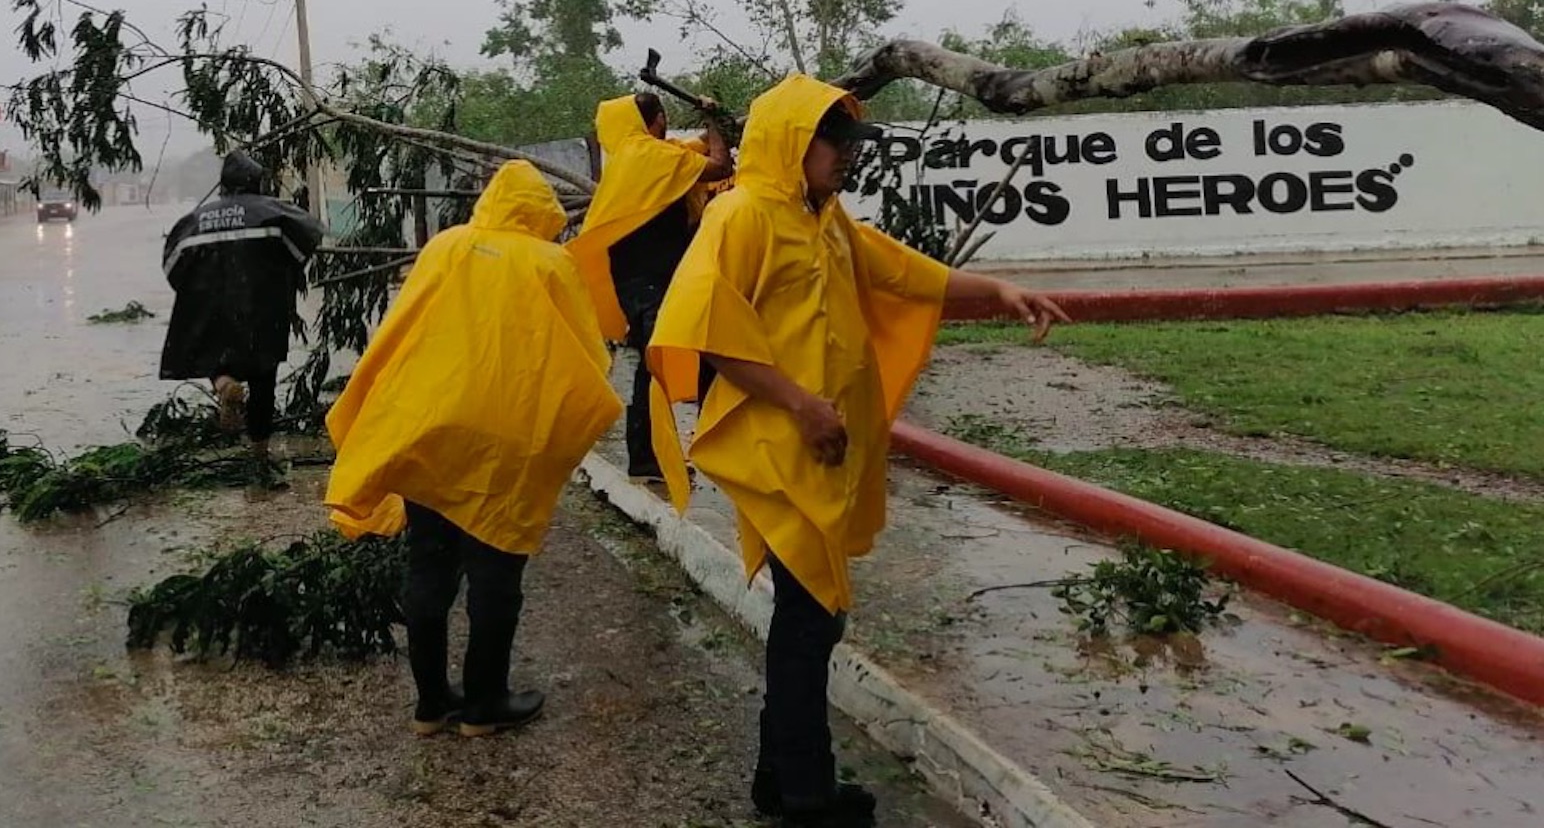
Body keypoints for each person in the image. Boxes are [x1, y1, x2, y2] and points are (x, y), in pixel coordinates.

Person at [643, 75, 1071, 827]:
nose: (846, 156)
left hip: (824, 446)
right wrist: (803, 405)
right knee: (812, 619)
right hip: (782, 444)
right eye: (833, 142)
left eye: (849, 143)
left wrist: (999, 289)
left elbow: (904, 272)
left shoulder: (826, 220)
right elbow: (709, 329)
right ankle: (807, 794)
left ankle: (779, 780)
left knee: (810, 618)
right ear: (790, 143)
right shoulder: (741, 215)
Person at [324, 160, 622, 738]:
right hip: (504, 440)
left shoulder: (446, 246)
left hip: (429, 427)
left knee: (430, 563)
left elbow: (401, 329)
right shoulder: (550, 261)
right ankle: (486, 704)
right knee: (495, 570)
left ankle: (431, 704)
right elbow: (588, 356)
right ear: (541, 212)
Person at [568, 91, 733, 480]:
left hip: (635, 280)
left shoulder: (633, 158)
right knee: (672, 361)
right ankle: (655, 456)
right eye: (664, 117)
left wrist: (719, 124)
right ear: (654, 120)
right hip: (654, 281)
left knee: (678, 358)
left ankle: (681, 449)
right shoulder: (655, 157)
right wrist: (711, 120)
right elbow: (718, 165)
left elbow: (695, 149)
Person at [159, 150, 324, 460]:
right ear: (256, 183)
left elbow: (172, 269)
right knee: (263, 377)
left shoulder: (195, 221)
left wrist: (199, 295)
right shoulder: (274, 213)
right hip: (263, 310)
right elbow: (306, 242)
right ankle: (259, 452)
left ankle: (223, 384)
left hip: (211, 311)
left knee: (210, 355)